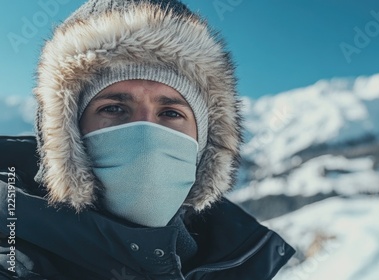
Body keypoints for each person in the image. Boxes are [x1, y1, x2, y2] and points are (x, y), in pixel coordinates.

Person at [0, 0, 295, 279]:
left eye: (170, 112)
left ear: (204, 144)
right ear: (67, 134)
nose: (146, 134)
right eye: (113, 108)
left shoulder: (234, 258)